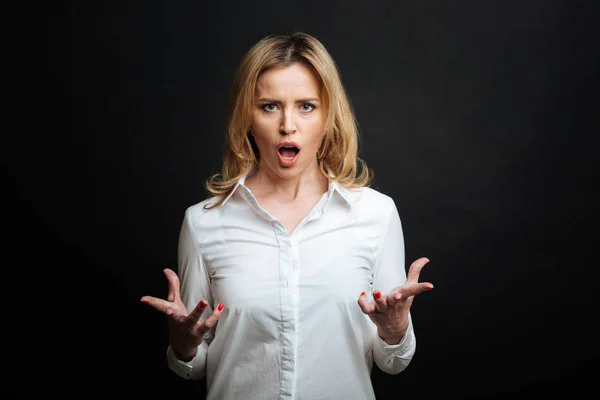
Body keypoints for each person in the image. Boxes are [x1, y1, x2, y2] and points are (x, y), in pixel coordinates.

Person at [141, 31, 433, 399]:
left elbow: (393, 362)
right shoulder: (203, 223)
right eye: (269, 106)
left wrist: (395, 330)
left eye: (306, 106)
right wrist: (183, 345)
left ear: (328, 117)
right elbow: (193, 364)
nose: (287, 125)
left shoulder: (376, 215)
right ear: (247, 117)